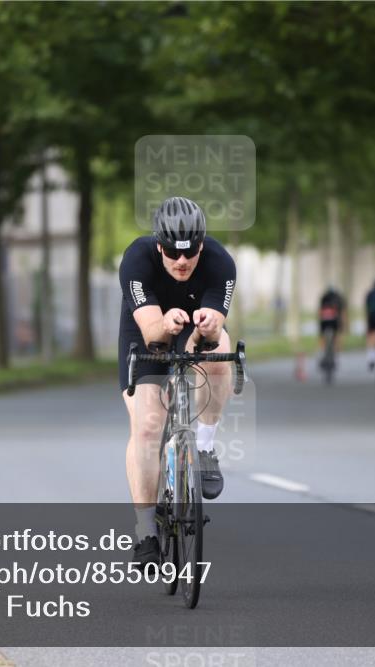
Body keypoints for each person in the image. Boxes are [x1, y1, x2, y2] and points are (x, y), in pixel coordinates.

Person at [119, 196, 237, 568]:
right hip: (145, 332)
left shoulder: (221, 263)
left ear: (202, 244)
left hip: (195, 328)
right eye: (172, 252)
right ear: (159, 245)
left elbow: (214, 332)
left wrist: (208, 327)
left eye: (190, 252)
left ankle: (203, 447)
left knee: (222, 352)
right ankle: (145, 532)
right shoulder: (137, 260)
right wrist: (166, 323)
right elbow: (153, 333)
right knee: (147, 427)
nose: (182, 261)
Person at [318, 285, 347, 369]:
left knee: (322, 336)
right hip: (335, 321)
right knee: (337, 336)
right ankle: (337, 356)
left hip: (324, 320)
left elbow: (320, 311)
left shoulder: (324, 297)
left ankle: (321, 352)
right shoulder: (339, 298)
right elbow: (343, 313)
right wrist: (343, 324)